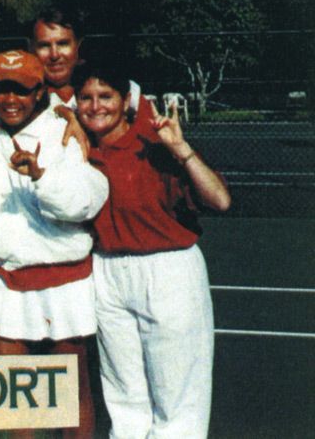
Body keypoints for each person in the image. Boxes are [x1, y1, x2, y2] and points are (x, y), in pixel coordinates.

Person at [73, 60, 230, 439]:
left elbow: (220, 200)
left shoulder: (155, 142)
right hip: (108, 272)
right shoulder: (79, 148)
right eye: (86, 98)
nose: (96, 107)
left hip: (168, 271)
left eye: (106, 97)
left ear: (126, 99)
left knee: (177, 403)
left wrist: (182, 150)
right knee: (125, 401)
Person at [0, 50, 108, 439]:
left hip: (62, 281)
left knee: (69, 393)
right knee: (18, 399)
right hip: (5, 280)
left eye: (20, 90)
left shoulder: (64, 133)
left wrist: (40, 176)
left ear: (38, 92)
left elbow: (84, 202)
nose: (10, 100)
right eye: (1, 90)